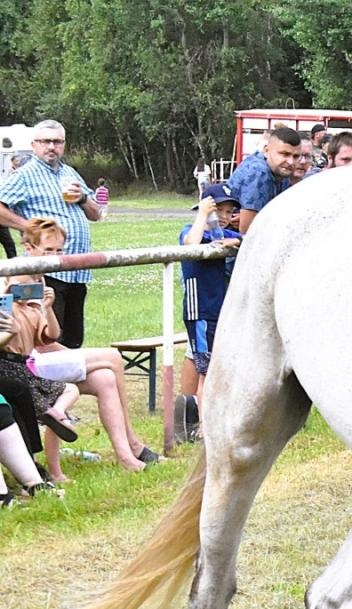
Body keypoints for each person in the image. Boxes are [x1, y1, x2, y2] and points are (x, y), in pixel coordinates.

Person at [2, 218, 156, 472]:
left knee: (105, 378)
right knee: (113, 358)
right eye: (48, 250)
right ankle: (133, 442)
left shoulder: (39, 281)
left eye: (59, 251)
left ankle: (126, 457)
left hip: (34, 358)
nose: (54, 257)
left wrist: (47, 308)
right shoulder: (14, 279)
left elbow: (47, 337)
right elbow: (11, 323)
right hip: (21, 365)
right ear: (28, 248)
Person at [0, 120, 103, 349]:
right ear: (34, 145)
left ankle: (74, 383)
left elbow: (96, 214)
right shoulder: (25, 176)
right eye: (45, 141)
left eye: (57, 141)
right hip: (47, 272)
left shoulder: (70, 173)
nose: (51, 146)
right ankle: (53, 385)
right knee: (51, 341)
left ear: (64, 145)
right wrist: (28, 227)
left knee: (74, 339)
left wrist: (84, 199)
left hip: (77, 271)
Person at [178, 184, 242, 422]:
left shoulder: (226, 235)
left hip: (220, 310)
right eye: (219, 211)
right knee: (206, 371)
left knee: (217, 367)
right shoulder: (192, 230)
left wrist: (233, 243)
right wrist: (203, 214)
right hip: (200, 311)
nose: (224, 217)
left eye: (228, 212)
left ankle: (213, 419)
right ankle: (204, 427)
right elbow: (191, 245)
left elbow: (245, 239)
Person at [230, 125, 299, 235]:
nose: (291, 162)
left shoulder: (281, 171)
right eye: (284, 154)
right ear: (266, 150)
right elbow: (247, 231)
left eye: (295, 156)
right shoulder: (258, 172)